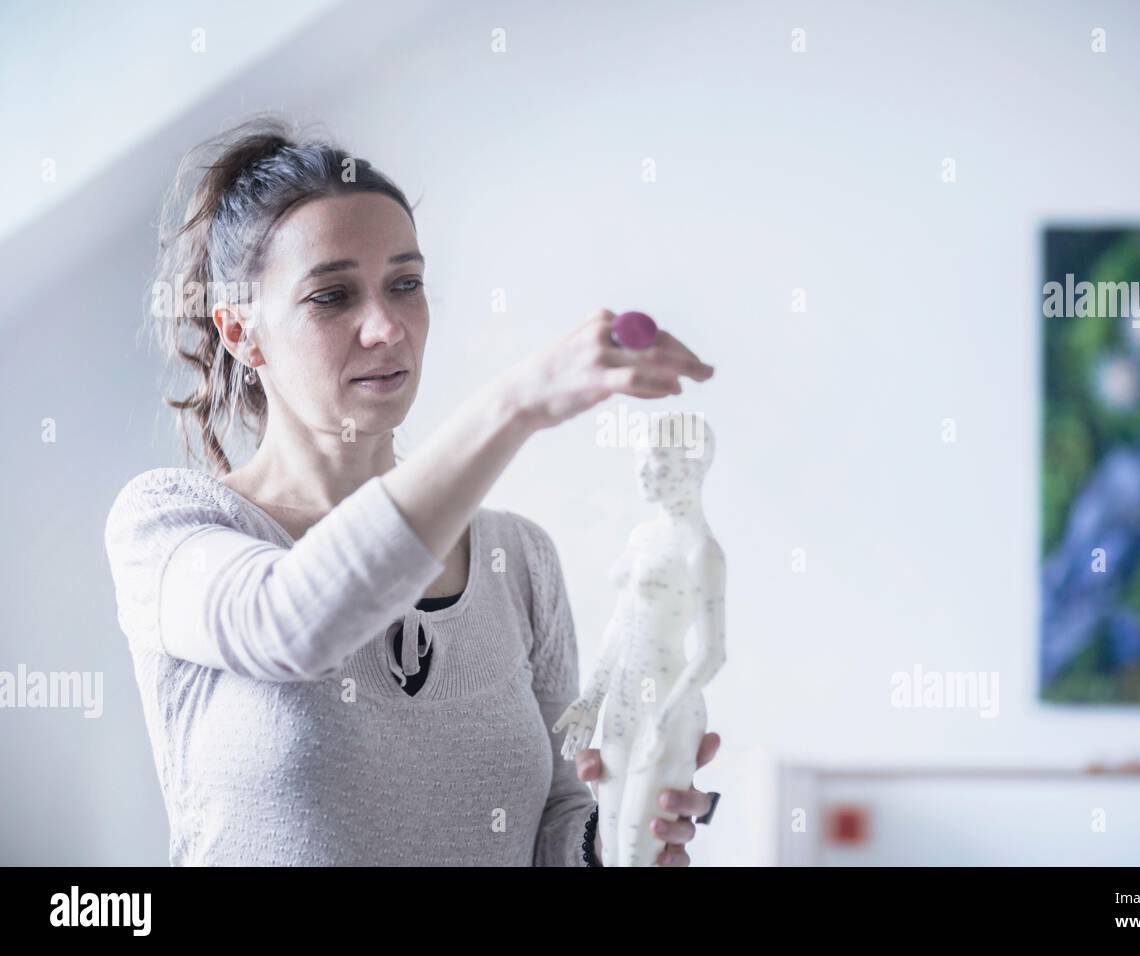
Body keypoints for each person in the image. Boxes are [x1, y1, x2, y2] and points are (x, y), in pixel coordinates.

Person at [103, 113, 718, 865]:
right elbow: (293, 624)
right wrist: (517, 402)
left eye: (406, 284)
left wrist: (623, 829)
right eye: (332, 296)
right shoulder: (169, 524)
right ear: (241, 333)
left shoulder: (517, 560)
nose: (387, 327)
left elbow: (557, 819)